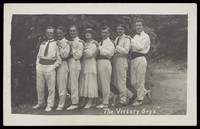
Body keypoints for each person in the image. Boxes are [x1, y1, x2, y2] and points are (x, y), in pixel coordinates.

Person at [32, 26, 62, 112]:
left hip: (50, 67)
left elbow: (59, 60)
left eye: (51, 33)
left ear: (54, 34)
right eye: (48, 33)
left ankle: (50, 105)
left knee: (51, 88)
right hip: (40, 67)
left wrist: (52, 68)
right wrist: (37, 65)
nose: (49, 34)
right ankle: (41, 103)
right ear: (46, 34)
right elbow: (38, 56)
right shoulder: (43, 43)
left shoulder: (56, 44)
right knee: (39, 86)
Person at [112, 24, 137, 107]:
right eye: (118, 29)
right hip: (115, 60)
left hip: (122, 61)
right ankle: (131, 95)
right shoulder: (117, 38)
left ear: (124, 30)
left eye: (121, 29)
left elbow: (126, 51)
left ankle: (123, 100)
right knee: (116, 82)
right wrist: (116, 49)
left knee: (121, 81)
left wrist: (116, 47)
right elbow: (114, 50)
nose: (119, 31)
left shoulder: (126, 39)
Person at [130, 19, 152, 106]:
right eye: (136, 25)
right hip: (133, 59)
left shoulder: (146, 36)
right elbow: (132, 48)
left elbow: (140, 47)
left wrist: (131, 40)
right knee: (133, 81)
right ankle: (146, 92)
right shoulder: (135, 37)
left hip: (141, 58)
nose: (138, 27)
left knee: (140, 80)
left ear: (143, 26)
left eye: (139, 25)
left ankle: (140, 100)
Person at [95, 26, 115, 108]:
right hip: (99, 62)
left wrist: (99, 47)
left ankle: (105, 103)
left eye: (105, 33)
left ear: (109, 33)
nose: (103, 34)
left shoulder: (110, 43)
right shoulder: (100, 43)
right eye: (102, 32)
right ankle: (111, 95)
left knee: (105, 83)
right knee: (99, 84)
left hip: (106, 62)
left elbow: (107, 53)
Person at [79, 28, 98, 109]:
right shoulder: (85, 43)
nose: (87, 34)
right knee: (84, 82)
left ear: (92, 34)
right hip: (84, 63)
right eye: (86, 33)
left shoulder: (94, 43)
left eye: (89, 33)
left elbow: (89, 54)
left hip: (90, 63)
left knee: (90, 82)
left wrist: (82, 48)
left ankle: (90, 101)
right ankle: (85, 99)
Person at [66, 25, 84, 110]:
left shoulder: (80, 42)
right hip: (69, 62)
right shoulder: (69, 41)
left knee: (73, 83)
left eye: (74, 31)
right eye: (71, 31)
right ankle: (76, 98)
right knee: (69, 84)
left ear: (77, 32)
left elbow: (78, 55)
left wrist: (71, 46)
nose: (72, 32)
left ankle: (75, 103)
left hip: (75, 62)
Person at [55, 26, 70, 111]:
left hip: (63, 64)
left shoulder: (66, 42)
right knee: (57, 85)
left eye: (60, 33)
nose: (58, 34)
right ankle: (67, 97)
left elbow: (65, 55)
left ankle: (61, 104)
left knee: (62, 85)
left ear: (64, 33)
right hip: (55, 65)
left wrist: (60, 46)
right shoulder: (56, 42)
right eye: (57, 33)